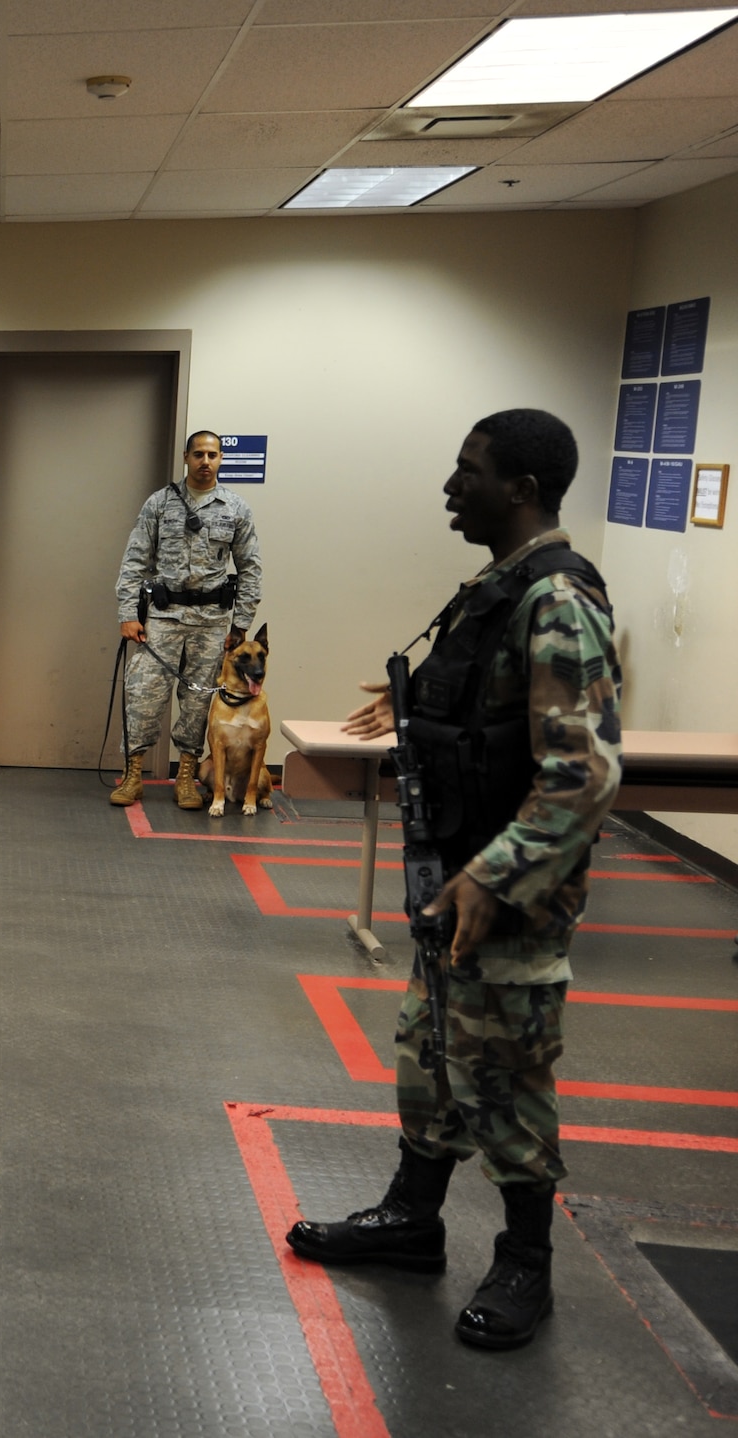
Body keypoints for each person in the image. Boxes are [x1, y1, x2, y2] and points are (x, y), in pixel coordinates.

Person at [286, 409, 621, 1352]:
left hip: (511, 895)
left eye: (468, 471)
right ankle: (412, 1221)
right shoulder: (498, 584)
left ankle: (526, 1264)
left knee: (507, 1077)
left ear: (521, 489)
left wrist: (493, 879)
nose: (449, 485)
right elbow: (488, 701)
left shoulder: (559, 598)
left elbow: (585, 773)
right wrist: (413, 704)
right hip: (456, 879)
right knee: (432, 1053)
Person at [110, 431, 263, 809]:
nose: (205, 461)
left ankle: (186, 778)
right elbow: (135, 560)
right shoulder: (160, 504)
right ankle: (133, 776)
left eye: (212, 454)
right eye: (198, 454)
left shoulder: (235, 508)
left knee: (197, 704)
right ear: (186, 457)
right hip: (162, 618)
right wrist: (129, 613)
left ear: (221, 459)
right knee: (143, 696)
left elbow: (250, 568)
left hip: (212, 623)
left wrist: (240, 623)